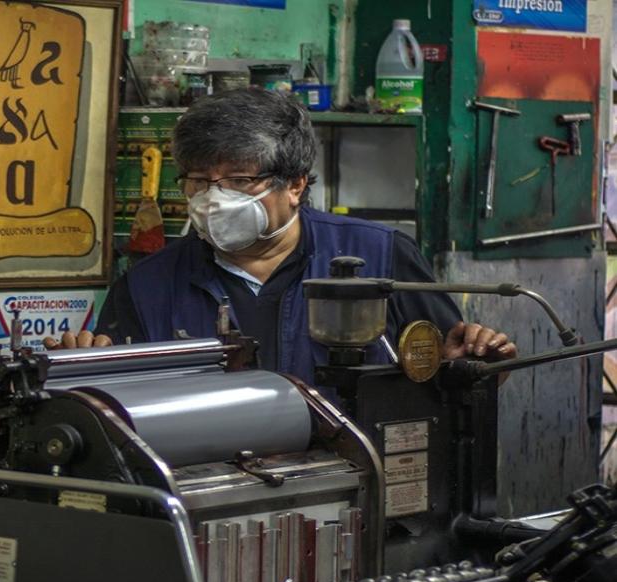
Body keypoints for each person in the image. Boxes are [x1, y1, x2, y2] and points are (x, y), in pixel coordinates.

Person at [44, 88, 515, 387]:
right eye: (199, 180)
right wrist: (84, 370)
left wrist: (467, 363)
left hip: (362, 489)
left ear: (295, 184)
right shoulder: (147, 285)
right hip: (213, 493)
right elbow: (118, 405)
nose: (214, 198)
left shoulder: (380, 255)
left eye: (238, 180)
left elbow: (449, 375)